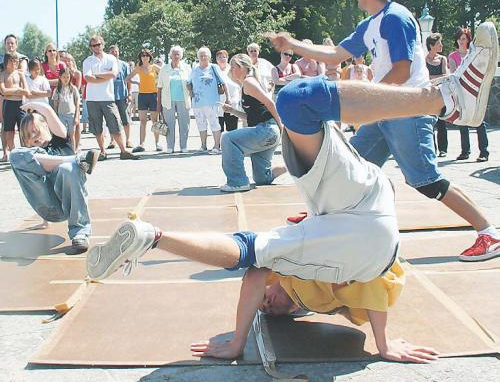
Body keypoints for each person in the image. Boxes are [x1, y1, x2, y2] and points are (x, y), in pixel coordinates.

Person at [86, 69, 483, 362]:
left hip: (354, 200)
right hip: (370, 236)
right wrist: (383, 344)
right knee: (298, 103)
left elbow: (255, 270)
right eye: (269, 306)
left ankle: (150, 235)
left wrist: (256, 88)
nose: (265, 302)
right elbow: (375, 287)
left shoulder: (295, 260)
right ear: (292, 309)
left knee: (298, 109)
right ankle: (443, 98)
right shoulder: (316, 291)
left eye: (263, 306)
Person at [267, 0, 499, 261]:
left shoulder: (395, 18)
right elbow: (337, 54)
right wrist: (293, 44)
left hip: (406, 111)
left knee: (424, 180)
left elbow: (401, 71)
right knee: (349, 164)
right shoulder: (371, 24)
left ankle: (489, 232)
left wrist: (367, 101)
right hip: (386, 110)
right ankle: (321, 219)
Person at [10, 101, 99, 252]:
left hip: (69, 204)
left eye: (35, 131)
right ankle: (78, 159)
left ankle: (80, 234)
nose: (33, 136)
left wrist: (37, 106)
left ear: (46, 127)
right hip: (49, 208)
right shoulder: (28, 155)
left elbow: (49, 112)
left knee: (67, 169)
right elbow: (36, 186)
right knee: (15, 155)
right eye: (28, 135)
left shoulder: (62, 143)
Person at [218, 54, 286, 192]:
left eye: (233, 67)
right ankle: (293, 166)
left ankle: (238, 182)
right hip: (267, 132)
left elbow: (270, 103)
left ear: (241, 67)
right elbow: (250, 116)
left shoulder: (249, 82)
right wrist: (232, 110)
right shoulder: (248, 83)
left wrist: (281, 126)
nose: (231, 70)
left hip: (266, 130)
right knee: (262, 178)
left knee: (227, 138)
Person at [82, 34, 138, 161]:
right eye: (93, 45)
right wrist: (104, 77)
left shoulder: (111, 59)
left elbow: (113, 74)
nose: (96, 47)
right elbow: (88, 78)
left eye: (98, 44)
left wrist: (96, 75)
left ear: (103, 44)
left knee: (115, 125)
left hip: (108, 97)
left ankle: (123, 151)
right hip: (92, 99)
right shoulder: (87, 61)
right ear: (91, 47)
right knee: (97, 127)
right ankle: (102, 151)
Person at [449, 28, 489, 162]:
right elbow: (454, 74)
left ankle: (484, 152)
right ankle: (465, 151)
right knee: (462, 121)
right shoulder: (453, 56)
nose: (461, 41)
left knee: (479, 121)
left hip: (475, 92)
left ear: (468, 40)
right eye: (459, 38)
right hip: (461, 93)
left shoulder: (473, 54)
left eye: (464, 38)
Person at [188, 47, 228, 154]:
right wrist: (190, 93)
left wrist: (228, 98)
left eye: (205, 55)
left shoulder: (213, 67)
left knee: (214, 123)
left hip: (211, 101)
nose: (203, 57)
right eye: (201, 55)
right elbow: (188, 82)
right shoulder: (195, 68)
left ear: (209, 56)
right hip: (197, 102)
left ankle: (216, 146)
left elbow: (223, 82)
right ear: (198, 57)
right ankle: (203, 145)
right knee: (201, 123)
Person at [156, 45, 192, 153]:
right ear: (170, 55)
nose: (176, 56)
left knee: (184, 123)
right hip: (168, 101)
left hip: (183, 99)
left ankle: (183, 146)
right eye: (174, 54)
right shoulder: (164, 69)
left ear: (181, 56)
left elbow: (191, 84)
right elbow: (159, 87)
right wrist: (158, 106)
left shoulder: (187, 68)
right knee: (169, 124)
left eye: (178, 54)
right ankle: (170, 146)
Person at [127, 49, 162, 153]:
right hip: (142, 96)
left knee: (155, 121)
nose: (145, 57)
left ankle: (157, 143)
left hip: (153, 95)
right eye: (143, 56)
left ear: (150, 57)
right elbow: (127, 78)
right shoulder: (138, 68)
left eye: (147, 55)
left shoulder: (154, 67)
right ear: (140, 58)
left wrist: (159, 84)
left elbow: (165, 74)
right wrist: (137, 83)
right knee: (142, 121)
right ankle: (141, 144)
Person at [0, 35, 28, 161]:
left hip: (20, 103)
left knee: (23, 129)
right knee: (7, 129)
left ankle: (24, 154)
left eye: (12, 43)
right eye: (8, 43)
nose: (10, 45)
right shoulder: (2, 68)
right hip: (6, 102)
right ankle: (9, 154)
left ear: (16, 44)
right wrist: (17, 90)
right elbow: (4, 91)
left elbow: (26, 90)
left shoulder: (22, 59)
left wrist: (14, 91)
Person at [426, 34, 449, 157]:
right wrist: (437, 78)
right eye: (439, 43)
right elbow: (424, 78)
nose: (441, 45)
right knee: (430, 123)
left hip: (441, 94)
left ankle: (443, 149)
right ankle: (432, 149)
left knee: (442, 122)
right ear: (431, 45)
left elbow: (446, 76)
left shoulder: (443, 59)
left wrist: (432, 78)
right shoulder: (424, 60)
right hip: (429, 95)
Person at [107, 45, 133, 149]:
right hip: (109, 96)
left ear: (119, 52)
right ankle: (112, 141)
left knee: (125, 119)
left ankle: (128, 140)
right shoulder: (106, 65)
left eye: (116, 51)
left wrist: (129, 93)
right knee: (111, 120)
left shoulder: (125, 65)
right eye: (112, 51)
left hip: (122, 95)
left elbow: (128, 80)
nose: (114, 53)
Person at [51, 68, 80, 152]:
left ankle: (73, 151)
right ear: (60, 77)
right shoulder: (57, 89)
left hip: (71, 114)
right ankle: (63, 151)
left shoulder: (73, 89)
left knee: (72, 134)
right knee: (62, 134)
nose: (66, 79)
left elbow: (77, 103)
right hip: (61, 114)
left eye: (68, 77)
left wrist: (76, 116)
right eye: (64, 77)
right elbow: (55, 104)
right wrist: (55, 116)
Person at [215, 49, 240, 132]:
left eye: (224, 57)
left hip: (232, 100)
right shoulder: (214, 70)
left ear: (227, 58)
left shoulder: (232, 69)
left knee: (232, 128)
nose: (222, 59)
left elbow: (238, 83)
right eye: (220, 57)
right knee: (219, 128)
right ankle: (218, 144)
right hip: (219, 101)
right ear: (216, 59)